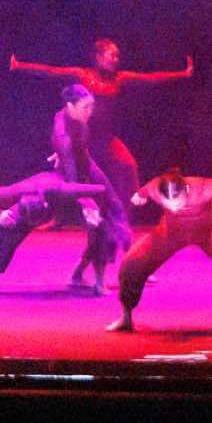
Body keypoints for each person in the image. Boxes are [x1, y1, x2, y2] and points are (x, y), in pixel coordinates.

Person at [9, 39, 193, 201]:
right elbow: (51, 71)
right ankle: (60, 214)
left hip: (106, 140)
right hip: (83, 140)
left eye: (118, 56)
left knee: (128, 167)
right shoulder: (82, 75)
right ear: (99, 57)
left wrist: (183, 74)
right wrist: (19, 65)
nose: (116, 59)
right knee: (71, 178)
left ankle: (123, 214)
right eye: (112, 55)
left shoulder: (120, 78)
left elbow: (150, 78)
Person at [107, 170, 212, 335]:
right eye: (169, 205)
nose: (175, 208)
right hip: (172, 229)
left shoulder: (204, 188)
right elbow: (145, 190)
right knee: (133, 261)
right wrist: (139, 195)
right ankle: (126, 317)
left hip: (207, 228)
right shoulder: (154, 188)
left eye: (178, 203)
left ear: (186, 190)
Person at [0, 173, 110, 297]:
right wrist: (0, 214)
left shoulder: (61, 191)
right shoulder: (16, 193)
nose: (35, 225)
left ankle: (99, 282)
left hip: (62, 202)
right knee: (3, 226)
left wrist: (91, 210)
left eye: (35, 221)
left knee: (98, 225)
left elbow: (97, 191)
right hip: (28, 205)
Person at [49, 84, 131, 294]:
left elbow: (77, 151)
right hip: (73, 177)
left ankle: (130, 259)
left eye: (92, 106)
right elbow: (70, 165)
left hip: (87, 166)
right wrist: (83, 199)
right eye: (85, 107)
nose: (90, 112)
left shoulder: (75, 118)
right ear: (70, 106)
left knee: (115, 207)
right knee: (99, 224)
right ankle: (97, 279)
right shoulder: (63, 135)